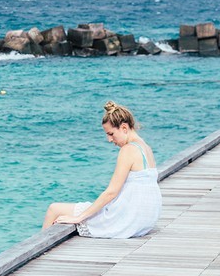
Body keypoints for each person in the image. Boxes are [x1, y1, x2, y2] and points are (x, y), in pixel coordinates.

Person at [42, 101, 162, 238]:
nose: (109, 139)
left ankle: (38, 247)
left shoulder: (128, 149)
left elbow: (111, 192)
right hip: (146, 219)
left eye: (111, 134)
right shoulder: (146, 148)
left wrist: (79, 218)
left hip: (127, 218)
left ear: (124, 127)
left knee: (54, 209)